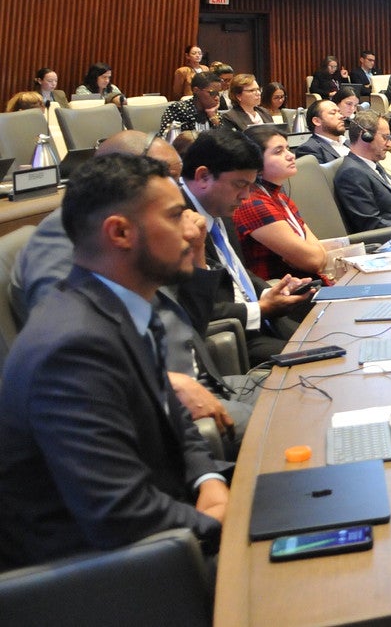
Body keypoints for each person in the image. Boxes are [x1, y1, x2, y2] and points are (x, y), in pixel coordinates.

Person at [0, 153, 229, 568]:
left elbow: (170, 413)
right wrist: (218, 523)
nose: (192, 228)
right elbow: (120, 513)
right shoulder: (71, 349)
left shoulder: (125, 307)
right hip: (107, 579)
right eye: (176, 216)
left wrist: (208, 478)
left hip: (167, 529)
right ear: (120, 232)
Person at [13, 131, 254, 457]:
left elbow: (191, 325)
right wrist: (167, 382)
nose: (177, 187)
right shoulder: (65, 234)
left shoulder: (149, 243)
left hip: (210, 382)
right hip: (161, 397)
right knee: (288, 425)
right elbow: (73, 337)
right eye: (166, 176)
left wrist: (195, 251)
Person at [181, 131, 313, 365]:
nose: (245, 196)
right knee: (326, 359)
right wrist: (261, 309)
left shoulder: (220, 207)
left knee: (337, 339)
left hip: (263, 322)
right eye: (239, 185)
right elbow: (193, 307)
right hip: (236, 337)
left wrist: (271, 293)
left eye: (250, 186)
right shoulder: (179, 224)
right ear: (203, 176)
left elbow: (237, 271)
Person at [233, 125, 332, 285]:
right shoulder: (252, 203)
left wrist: (312, 255)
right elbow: (314, 261)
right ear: (255, 162)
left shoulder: (281, 198)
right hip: (285, 298)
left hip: (309, 285)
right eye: (279, 151)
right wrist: (312, 254)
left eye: (288, 148)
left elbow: (318, 253)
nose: (291, 156)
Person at [159, 70, 224, 134]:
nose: (217, 98)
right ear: (196, 90)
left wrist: (212, 115)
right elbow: (167, 137)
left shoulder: (214, 112)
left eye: (218, 93)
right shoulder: (177, 109)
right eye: (212, 93)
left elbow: (225, 140)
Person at [294, 98, 347, 163]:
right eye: (333, 113)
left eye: (340, 112)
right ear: (316, 121)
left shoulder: (349, 143)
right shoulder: (308, 149)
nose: (341, 116)